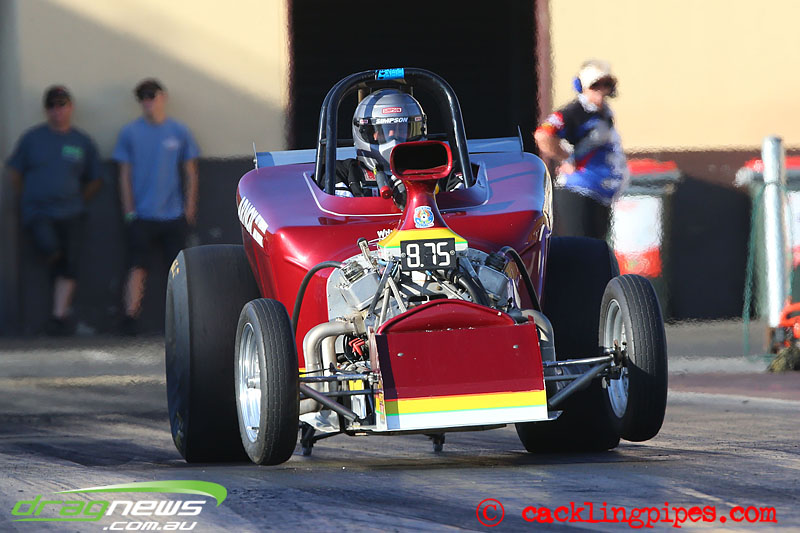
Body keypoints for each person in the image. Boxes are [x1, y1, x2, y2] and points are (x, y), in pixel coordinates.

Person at [4, 85, 103, 335]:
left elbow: (95, 178)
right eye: (52, 106)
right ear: (46, 110)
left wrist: (79, 198)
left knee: (70, 264)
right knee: (49, 246)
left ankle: (59, 316)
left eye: (61, 105)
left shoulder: (81, 141)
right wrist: (27, 195)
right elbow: (14, 171)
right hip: (39, 211)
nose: (57, 111)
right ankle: (53, 257)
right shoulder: (33, 139)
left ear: (70, 107)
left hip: (71, 211)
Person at [113, 78, 199, 334]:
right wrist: (129, 211)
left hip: (173, 213)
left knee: (178, 268)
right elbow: (124, 174)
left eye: (151, 95)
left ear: (163, 97)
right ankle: (130, 317)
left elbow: (191, 172)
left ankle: (183, 319)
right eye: (143, 97)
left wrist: (189, 209)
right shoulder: (130, 133)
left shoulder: (179, 131)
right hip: (142, 214)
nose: (148, 101)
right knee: (137, 265)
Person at [534, 59, 628, 239]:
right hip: (578, 189)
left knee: (598, 247)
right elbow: (543, 135)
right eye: (595, 85)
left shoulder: (604, 113)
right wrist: (565, 158)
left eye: (606, 84)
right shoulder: (575, 112)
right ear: (582, 86)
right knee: (581, 245)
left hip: (601, 192)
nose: (601, 90)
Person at [320, 89, 428, 199]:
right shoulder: (341, 173)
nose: (393, 139)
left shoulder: (433, 171)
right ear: (367, 133)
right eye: (383, 131)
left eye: (401, 129)